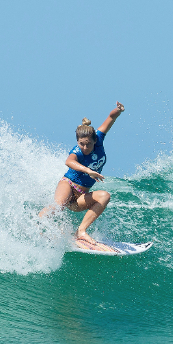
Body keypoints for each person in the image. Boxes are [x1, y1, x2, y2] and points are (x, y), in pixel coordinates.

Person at [39, 101, 125, 244]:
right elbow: (69, 161)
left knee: (104, 196)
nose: (85, 147)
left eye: (88, 144)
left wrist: (119, 110)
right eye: (81, 143)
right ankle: (37, 224)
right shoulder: (77, 151)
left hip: (81, 197)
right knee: (59, 205)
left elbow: (110, 118)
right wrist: (88, 171)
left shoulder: (98, 139)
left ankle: (81, 231)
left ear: (95, 140)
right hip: (68, 185)